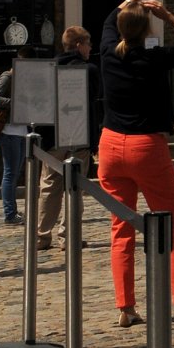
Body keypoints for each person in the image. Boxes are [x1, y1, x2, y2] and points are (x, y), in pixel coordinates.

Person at [98, 0, 174, 326]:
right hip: (146, 146)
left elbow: (107, 21)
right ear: (145, 29)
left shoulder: (106, 51)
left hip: (110, 145)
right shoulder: (155, 58)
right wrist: (168, 16)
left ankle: (126, 308)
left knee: (121, 227)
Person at [37, 25, 100, 253]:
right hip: (79, 134)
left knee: (49, 185)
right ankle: (68, 237)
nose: (90, 48)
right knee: (75, 188)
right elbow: (94, 97)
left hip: (53, 136)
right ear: (78, 45)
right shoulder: (89, 70)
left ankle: (41, 236)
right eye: (88, 43)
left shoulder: (49, 68)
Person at [0, 50, 29, 227]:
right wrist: (15, 103)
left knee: (15, 172)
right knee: (10, 172)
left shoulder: (24, 80)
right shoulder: (8, 76)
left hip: (21, 130)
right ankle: (9, 213)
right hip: (9, 130)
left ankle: (12, 209)